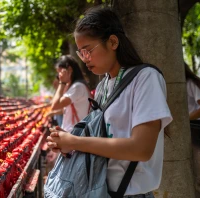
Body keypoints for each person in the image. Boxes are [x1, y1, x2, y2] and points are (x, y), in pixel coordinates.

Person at [47, 7, 172, 197]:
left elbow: (141, 149)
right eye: (80, 53)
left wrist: (76, 142)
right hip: (101, 190)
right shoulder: (104, 84)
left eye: (88, 50)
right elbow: (102, 139)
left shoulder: (145, 78)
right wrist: (68, 142)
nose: (84, 59)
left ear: (113, 42)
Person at [48, 55, 90, 133]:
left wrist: (62, 83)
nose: (59, 76)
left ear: (69, 70)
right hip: (73, 132)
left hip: (75, 134)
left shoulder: (77, 87)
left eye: (60, 72)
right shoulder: (74, 86)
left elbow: (55, 106)